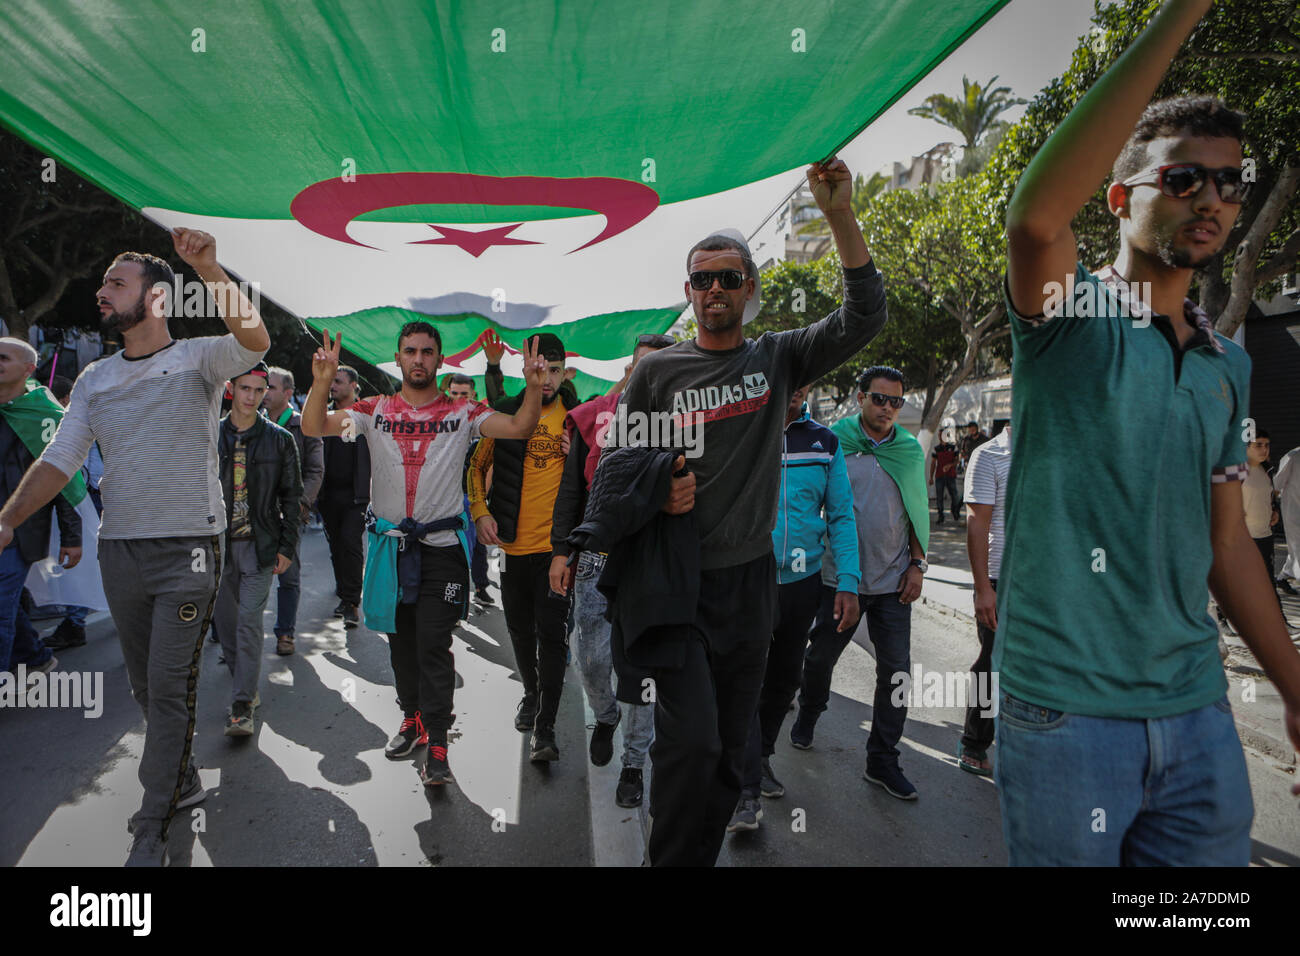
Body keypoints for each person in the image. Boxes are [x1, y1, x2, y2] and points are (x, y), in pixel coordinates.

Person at [999, 0, 1300, 865]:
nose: (1211, 199)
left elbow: (1227, 543)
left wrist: (1292, 686)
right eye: (1182, 179)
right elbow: (1032, 221)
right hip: (1063, 716)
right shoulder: (1067, 316)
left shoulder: (1225, 365)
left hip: (1198, 716)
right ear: (1118, 198)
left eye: (1229, 183)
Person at [614, 158, 887, 866]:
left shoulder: (777, 359)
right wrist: (657, 486)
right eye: (701, 279)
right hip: (677, 587)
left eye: (727, 278)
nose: (713, 289)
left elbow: (866, 315)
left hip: (751, 586)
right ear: (688, 291)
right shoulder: (657, 372)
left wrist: (838, 216)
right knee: (694, 744)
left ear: (749, 289)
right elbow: (615, 468)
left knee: (730, 757)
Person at [0, 228, 270, 865]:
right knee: (149, 689)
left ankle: (154, 818)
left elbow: (256, 340)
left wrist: (207, 266)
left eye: (115, 283)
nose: (100, 291)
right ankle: (181, 776)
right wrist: (7, 518)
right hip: (120, 550)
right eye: (103, 282)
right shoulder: (94, 378)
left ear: (155, 300)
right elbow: (61, 457)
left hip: (191, 550)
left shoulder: (200, 359)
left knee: (170, 685)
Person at [302, 323, 546, 787]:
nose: (419, 359)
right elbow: (313, 426)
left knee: (433, 642)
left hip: (442, 551)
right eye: (410, 351)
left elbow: (519, 427)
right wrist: (320, 382)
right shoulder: (372, 410)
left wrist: (533, 388)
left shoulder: (463, 410)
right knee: (401, 640)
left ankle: (438, 739)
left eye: (427, 352)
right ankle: (411, 716)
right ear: (397, 358)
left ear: (440, 359)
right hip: (391, 548)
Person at [727, 383, 861, 832]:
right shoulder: (744, 429)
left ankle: (760, 757)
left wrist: (848, 581)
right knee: (747, 676)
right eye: (789, 380)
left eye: (803, 383)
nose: (796, 390)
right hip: (748, 578)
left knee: (785, 679)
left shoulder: (824, 442)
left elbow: (841, 514)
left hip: (802, 583)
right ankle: (745, 791)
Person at [549, 332, 674, 807]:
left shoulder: (688, 422)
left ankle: (634, 764)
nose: (652, 378)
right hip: (597, 557)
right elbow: (570, 494)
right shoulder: (590, 420)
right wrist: (562, 551)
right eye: (644, 367)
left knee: (640, 669)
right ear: (630, 370)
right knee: (593, 658)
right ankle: (605, 716)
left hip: (653, 563)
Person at [794, 366, 929, 799]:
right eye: (879, 398)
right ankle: (810, 710)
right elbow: (811, 503)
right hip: (839, 579)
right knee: (818, 662)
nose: (887, 407)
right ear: (860, 397)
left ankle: (882, 760)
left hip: (892, 582)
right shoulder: (833, 442)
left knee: (896, 673)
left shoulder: (908, 451)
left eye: (896, 401)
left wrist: (917, 563)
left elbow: (916, 510)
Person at [468, 332, 578, 761]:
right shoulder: (508, 415)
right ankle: (531, 694)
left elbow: (599, 477)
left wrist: (582, 455)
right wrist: (479, 511)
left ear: (564, 370)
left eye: (552, 370)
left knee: (552, 639)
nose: (545, 378)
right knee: (519, 630)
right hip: (513, 551)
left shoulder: (576, 418)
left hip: (557, 553)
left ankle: (546, 729)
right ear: (524, 368)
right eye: (537, 369)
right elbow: (477, 466)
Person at [214, 363, 301, 735]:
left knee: (249, 623)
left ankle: (240, 706)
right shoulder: (209, 434)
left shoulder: (280, 439)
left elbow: (292, 497)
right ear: (232, 389)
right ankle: (245, 687)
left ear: (266, 391)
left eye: (257, 389)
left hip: (260, 545)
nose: (250, 396)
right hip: (216, 547)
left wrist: (287, 546)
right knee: (227, 626)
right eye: (244, 388)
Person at [0, 338, 82, 676]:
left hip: (19, 531)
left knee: (1, 608)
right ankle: (35, 656)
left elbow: (63, 481)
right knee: (7, 603)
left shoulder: (46, 415)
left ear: (28, 369)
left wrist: (72, 536)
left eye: (3, 358)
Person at [959, 416, 1012, 776]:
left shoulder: (1059, 449)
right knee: (992, 665)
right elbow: (977, 524)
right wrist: (982, 589)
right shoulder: (989, 454)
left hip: (1047, 583)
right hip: (1000, 579)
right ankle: (974, 742)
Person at [261, 366, 322, 654]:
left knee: (288, 574)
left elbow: (315, 470)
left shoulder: (303, 425)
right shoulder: (252, 423)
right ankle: (233, 633)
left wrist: (300, 503)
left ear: (288, 393)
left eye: (270, 387)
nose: (264, 392)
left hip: (289, 513)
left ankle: (285, 633)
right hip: (255, 513)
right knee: (247, 573)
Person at [39, 374, 96, 652]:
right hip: (81, 496)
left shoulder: (83, 417)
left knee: (85, 563)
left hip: (92, 496)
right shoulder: (59, 422)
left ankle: (75, 622)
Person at [318, 364, 369, 628]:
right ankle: (343, 592)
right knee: (336, 545)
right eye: (331, 382)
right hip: (328, 495)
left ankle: (351, 602)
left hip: (356, 496)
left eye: (337, 381)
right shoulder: (326, 415)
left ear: (353, 386)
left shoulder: (366, 416)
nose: (333, 385)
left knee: (350, 542)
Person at [445, 372, 493, 605]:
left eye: (464, 394)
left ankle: (479, 588)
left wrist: (480, 502)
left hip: (470, 496)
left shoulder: (484, 422)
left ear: (474, 394)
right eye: (454, 393)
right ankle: (455, 601)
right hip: (443, 498)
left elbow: (488, 466)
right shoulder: (440, 422)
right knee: (451, 551)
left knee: (476, 548)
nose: (459, 398)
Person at [1276, 444, 1300, 593]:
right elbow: (1278, 482)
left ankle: (1283, 576)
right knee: (1297, 544)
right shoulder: (1293, 456)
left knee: (1296, 547)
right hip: (1293, 508)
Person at [929, 430, 961, 526]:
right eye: (939, 435)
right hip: (939, 476)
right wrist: (931, 477)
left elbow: (957, 461)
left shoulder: (953, 447)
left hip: (951, 475)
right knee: (939, 497)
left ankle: (954, 510)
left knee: (954, 496)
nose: (940, 437)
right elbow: (933, 463)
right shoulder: (936, 448)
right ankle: (940, 516)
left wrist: (950, 465)